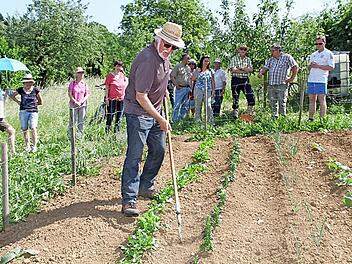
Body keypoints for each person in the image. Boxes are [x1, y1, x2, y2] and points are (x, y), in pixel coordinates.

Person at [121, 22, 184, 216]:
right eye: (167, 45)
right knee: (135, 155)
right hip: (138, 113)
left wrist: (163, 90)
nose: (170, 49)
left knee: (159, 149)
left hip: (154, 111)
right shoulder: (148, 60)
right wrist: (161, 119)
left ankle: (145, 185)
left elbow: (159, 80)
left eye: (173, 47)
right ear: (158, 39)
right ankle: (129, 200)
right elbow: (141, 96)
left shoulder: (163, 57)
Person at [258, 44, 298, 118]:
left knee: (282, 102)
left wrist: (291, 79)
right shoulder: (270, 60)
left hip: (282, 84)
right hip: (272, 84)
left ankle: (282, 119)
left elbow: (295, 67)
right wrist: (260, 73)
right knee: (272, 102)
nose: (271, 52)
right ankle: (274, 118)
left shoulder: (287, 57)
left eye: (272, 51)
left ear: (278, 50)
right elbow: (264, 68)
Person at [10, 73, 43, 152]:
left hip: (33, 111)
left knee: (33, 127)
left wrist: (34, 105)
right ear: (24, 83)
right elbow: (11, 95)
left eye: (30, 82)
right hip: (23, 111)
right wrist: (18, 102)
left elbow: (41, 101)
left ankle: (34, 146)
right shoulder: (20, 89)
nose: (29, 84)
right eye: (27, 82)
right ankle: (27, 145)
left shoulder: (35, 90)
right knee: (25, 128)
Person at [307, 35, 335, 121]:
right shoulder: (313, 54)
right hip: (311, 79)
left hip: (321, 80)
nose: (318, 45)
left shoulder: (329, 53)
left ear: (324, 43)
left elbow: (331, 67)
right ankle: (311, 118)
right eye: (316, 43)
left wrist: (318, 66)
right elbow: (309, 66)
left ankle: (322, 120)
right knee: (312, 100)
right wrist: (310, 65)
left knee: (322, 100)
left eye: (320, 43)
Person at [229, 45, 255, 118]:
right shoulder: (234, 58)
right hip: (236, 79)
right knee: (235, 96)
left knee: (250, 94)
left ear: (246, 51)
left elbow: (251, 69)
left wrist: (240, 68)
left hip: (245, 79)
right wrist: (245, 70)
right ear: (238, 50)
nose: (243, 50)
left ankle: (249, 111)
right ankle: (235, 112)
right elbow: (233, 70)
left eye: (245, 49)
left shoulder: (248, 59)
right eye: (241, 49)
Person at [104, 60, 128, 132]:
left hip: (121, 99)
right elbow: (107, 87)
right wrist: (107, 99)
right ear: (115, 66)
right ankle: (108, 131)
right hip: (112, 99)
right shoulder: (110, 76)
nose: (119, 67)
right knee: (110, 115)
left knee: (119, 116)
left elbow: (126, 82)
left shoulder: (122, 75)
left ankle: (116, 132)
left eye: (120, 66)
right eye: (117, 66)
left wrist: (123, 72)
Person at [192, 55, 215, 123]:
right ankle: (198, 121)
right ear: (202, 61)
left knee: (208, 105)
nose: (206, 62)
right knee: (198, 105)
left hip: (208, 90)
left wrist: (213, 90)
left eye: (208, 61)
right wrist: (197, 72)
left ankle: (209, 121)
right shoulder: (198, 70)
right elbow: (193, 79)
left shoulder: (211, 71)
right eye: (205, 61)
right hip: (198, 89)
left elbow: (213, 81)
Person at [68, 67, 89, 136]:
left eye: (82, 72)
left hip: (82, 105)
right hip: (73, 105)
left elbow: (87, 94)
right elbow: (70, 93)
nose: (81, 74)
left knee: (81, 121)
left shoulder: (85, 84)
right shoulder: (72, 83)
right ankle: (71, 136)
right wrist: (75, 101)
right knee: (72, 121)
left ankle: (80, 136)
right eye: (79, 73)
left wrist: (82, 101)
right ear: (76, 74)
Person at [171, 53, 191, 122]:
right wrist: (176, 85)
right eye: (187, 58)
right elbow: (172, 76)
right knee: (177, 104)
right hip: (180, 88)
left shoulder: (188, 68)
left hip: (187, 88)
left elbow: (189, 78)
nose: (189, 60)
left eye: (189, 58)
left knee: (185, 105)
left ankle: (181, 119)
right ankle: (174, 120)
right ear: (183, 59)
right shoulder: (178, 66)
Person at [0, 89, 16, 154]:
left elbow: (8, 95)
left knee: (11, 131)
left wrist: (8, 92)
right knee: (11, 131)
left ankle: (12, 151)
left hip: (1, 118)